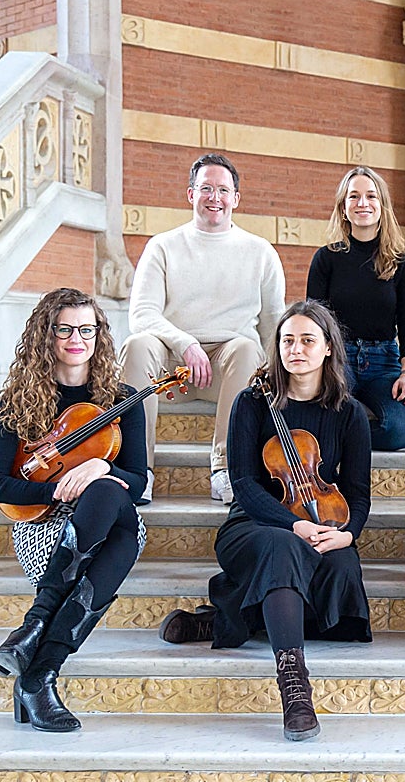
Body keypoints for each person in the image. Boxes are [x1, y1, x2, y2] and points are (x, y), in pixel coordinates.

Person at [157, 300, 372, 742]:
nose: (296, 349)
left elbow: (359, 493)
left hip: (322, 522)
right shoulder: (253, 402)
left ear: (328, 348)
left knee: (339, 574)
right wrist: (293, 525)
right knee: (283, 547)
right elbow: (244, 483)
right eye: (288, 340)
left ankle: (225, 621)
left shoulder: (350, 413)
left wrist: (346, 535)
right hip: (254, 524)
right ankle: (293, 683)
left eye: (308, 340)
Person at [0, 288, 148, 732]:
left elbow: (137, 482)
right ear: (46, 334)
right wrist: (56, 490)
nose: (76, 338)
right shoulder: (16, 403)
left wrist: (101, 465)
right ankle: (40, 676)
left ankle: (33, 628)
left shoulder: (123, 398)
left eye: (87, 328)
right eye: (64, 328)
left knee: (105, 491)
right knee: (113, 537)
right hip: (44, 524)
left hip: (109, 511)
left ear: (99, 334)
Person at [120, 153, 286, 505]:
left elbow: (273, 322)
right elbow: (142, 313)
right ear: (190, 194)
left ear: (236, 199)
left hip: (227, 371)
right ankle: (139, 470)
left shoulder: (260, 252)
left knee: (247, 348)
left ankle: (224, 470)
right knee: (137, 345)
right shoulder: (163, 246)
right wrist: (186, 343)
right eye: (206, 188)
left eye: (223, 190)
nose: (215, 198)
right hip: (170, 369)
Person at [307, 165, 405, 450]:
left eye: (371, 196)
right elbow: (313, 323)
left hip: (384, 362)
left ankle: (342, 437)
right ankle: (343, 430)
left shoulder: (401, 264)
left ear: (382, 206)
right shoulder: (326, 259)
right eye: (353, 196)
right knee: (317, 412)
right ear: (343, 208)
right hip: (337, 358)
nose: (362, 203)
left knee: (401, 428)